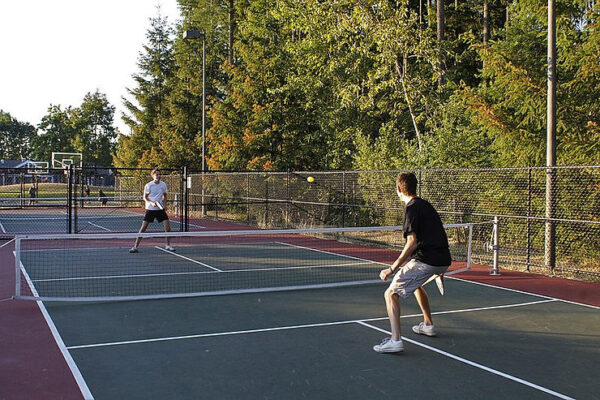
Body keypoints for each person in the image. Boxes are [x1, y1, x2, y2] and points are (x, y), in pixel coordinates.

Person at [373, 172, 451, 354]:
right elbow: (438, 234)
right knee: (416, 285)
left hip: (426, 261)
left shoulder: (411, 208)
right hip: (443, 260)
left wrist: (391, 269)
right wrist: (440, 267)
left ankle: (395, 340)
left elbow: (412, 242)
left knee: (391, 293)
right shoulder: (426, 205)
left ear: (399, 189)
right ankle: (428, 325)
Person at [129, 169, 175, 253]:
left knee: (168, 228)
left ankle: (168, 245)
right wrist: (151, 202)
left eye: (159, 174)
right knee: (143, 228)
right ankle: (135, 246)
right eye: (156, 174)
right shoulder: (148, 185)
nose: (158, 176)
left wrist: (164, 205)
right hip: (150, 209)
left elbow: (165, 196)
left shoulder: (163, 184)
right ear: (153, 176)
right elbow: (145, 197)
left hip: (160, 210)